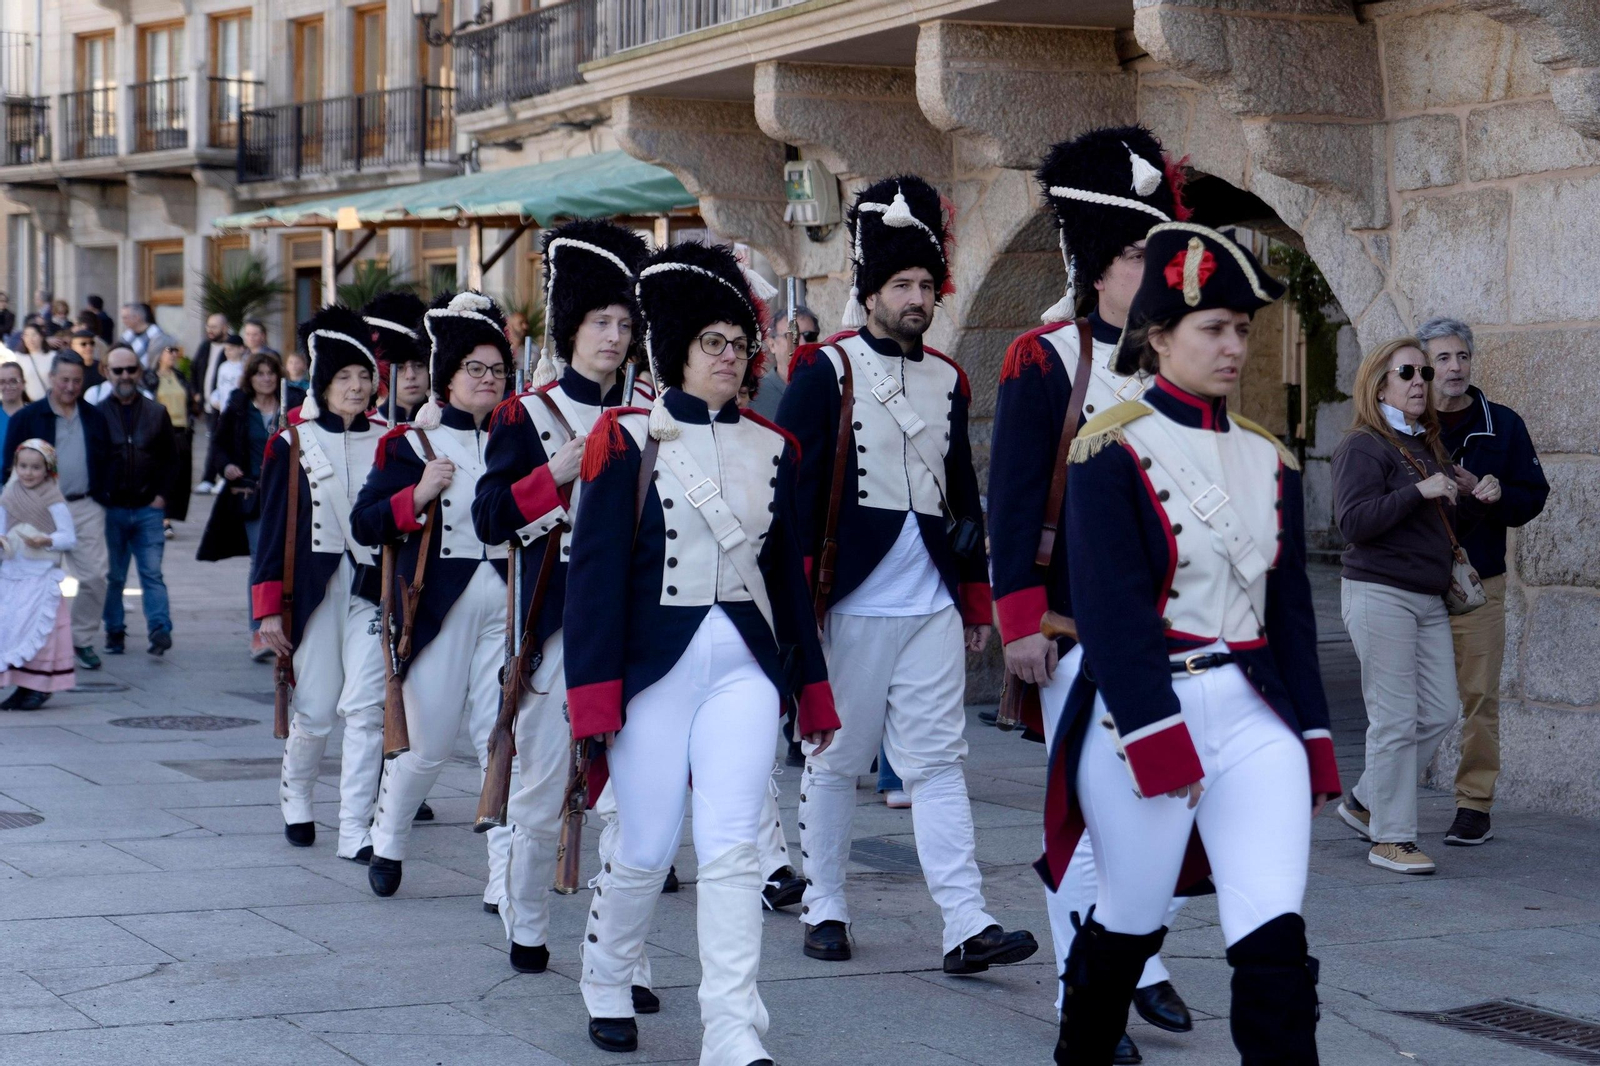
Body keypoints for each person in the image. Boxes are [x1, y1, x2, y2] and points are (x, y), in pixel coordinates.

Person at [1052, 222, 1338, 1063]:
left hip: (1255, 719)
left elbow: (1290, 617)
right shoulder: (1109, 449)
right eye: (1214, 327)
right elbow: (1110, 618)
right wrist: (1156, 734)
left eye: (1243, 329)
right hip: (1147, 716)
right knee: (1131, 922)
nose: (1234, 345)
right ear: (1159, 336)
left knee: (1275, 938)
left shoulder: (1270, 458)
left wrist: (1314, 739)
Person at [562, 240, 838, 1060]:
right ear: (678, 348)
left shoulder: (773, 446)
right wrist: (592, 701)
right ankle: (607, 975)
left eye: (739, 341)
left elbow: (789, 584)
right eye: (713, 341)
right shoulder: (620, 440)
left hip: (746, 674)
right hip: (653, 672)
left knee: (732, 850)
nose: (730, 356)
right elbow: (595, 584)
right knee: (645, 846)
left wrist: (813, 690)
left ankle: (731, 1029)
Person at [776, 175, 1036, 975]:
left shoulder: (950, 379)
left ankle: (966, 920)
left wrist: (975, 598)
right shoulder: (822, 371)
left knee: (936, 764)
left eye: (927, 284)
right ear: (871, 289)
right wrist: (797, 608)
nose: (918, 297)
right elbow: (791, 495)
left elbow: (963, 491)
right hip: (847, 600)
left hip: (928, 598)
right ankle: (824, 904)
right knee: (836, 759)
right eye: (903, 284)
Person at [990, 126, 1196, 1059]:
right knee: (1084, 810)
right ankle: (1092, 991)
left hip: (1169, 631)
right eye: (1134, 253)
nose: (1152, 267)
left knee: (1161, 804)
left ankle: (1137, 959)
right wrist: (1020, 620)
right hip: (1070, 628)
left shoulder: (1179, 358)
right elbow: (1012, 498)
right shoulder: (1042, 358)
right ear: (1095, 264)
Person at [472, 219, 653, 979]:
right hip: (553, 630)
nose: (612, 337)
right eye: (599, 322)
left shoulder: (653, 414)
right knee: (542, 794)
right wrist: (561, 473)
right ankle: (529, 924)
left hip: (638, 632)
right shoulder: (526, 415)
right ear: (571, 327)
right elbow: (488, 519)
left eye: (623, 323)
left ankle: (624, 959)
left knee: (634, 807)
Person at [351, 291, 515, 908]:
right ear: (448, 375)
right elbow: (368, 523)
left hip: (508, 608)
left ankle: (503, 878)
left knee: (504, 743)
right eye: (475, 368)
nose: (488, 380)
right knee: (427, 746)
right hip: (436, 612)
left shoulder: (516, 437)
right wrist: (417, 494)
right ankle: (388, 837)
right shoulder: (408, 444)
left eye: (498, 369)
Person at [1333, 337, 1496, 874]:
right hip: (1380, 593)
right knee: (1395, 717)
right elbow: (1352, 523)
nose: (1421, 381)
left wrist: (1472, 497)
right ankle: (1392, 837)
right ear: (1379, 382)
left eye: (1424, 372)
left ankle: (1363, 801)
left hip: (1426, 596)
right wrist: (1417, 493)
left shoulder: (1425, 444)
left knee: (1440, 709)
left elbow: (1444, 527)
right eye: (1408, 372)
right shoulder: (1364, 445)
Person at [251, 306, 387, 861]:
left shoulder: (391, 438)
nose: (356, 387)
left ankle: (356, 828)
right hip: (312, 590)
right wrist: (266, 611)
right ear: (323, 384)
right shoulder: (291, 443)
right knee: (314, 707)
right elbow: (270, 532)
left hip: (372, 587)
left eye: (364, 377)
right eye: (343, 378)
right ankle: (297, 797)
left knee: (367, 708)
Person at [1418, 317, 1548, 847]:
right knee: (1407, 701)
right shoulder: (1403, 421)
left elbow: (1532, 496)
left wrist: (1493, 496)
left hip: (1478, 583)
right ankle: (1383, 796)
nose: (1455, 367)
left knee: (1477, 698)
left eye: (1462, 357)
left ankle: (1474, 805)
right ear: (1425, 367)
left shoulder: (1504, 425)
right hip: (1412, 582)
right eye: (1442, 359)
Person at [1, 352, 111, 671]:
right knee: (30, 579)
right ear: (51, 378)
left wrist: (105, 491)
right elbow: (10, 465)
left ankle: (82, 639)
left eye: (77, 380)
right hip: (37, 509)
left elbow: (106, 457)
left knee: (94, 576)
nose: (70, 386)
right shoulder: (28, 416)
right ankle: (28, 643)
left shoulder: (94, 416)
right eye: (64, 379)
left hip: (85, 504)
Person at [96, 346, 177, 656]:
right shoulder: (97, 414)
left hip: (147, 508)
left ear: (140, 371)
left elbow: (172, 459)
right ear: (106, 372)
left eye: (131, 369)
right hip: (112, 508)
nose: (125, 376)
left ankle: (160, 629)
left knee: (152, 573)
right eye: (118, 370)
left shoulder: (157, 413)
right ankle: (114, 630)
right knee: (114, 575)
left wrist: (162, 497)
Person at [215, 351, 283, 660]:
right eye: (260, 373)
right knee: (260, 559)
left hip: (286, 492)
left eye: (271, 373)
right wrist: (227, 466)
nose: (266, 378)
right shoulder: (239, 407)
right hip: (253, 493)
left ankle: (284, 626)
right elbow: (219, 445)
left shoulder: (291, 403)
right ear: (250, 378)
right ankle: (258, 631)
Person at [0, 440, 77, 711]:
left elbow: (68, 536)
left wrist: (47, 540)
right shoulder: (8, 497)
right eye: (23, 467)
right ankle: (20, 685)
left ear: (47, 469)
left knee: (40, 634)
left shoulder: (53, 499)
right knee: (11, 629)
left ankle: (38, 687)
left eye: (35, 467)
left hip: (41, 575)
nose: (28, 473)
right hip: (12, 573)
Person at [361, 292, 429, 421]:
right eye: (399, 367)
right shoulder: (370, 428)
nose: (411, 375)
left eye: (419, 365)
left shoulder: (448, 428)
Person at [748, 304, 817, 420]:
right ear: (772, 345)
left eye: (809, 336)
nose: (803, 344)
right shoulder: (753, 396)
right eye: (791, 336)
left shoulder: (829, 389)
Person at [153, 344, 194, 535]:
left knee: (179, 476)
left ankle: (169, 515)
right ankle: (163, 519)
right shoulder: (150, 377)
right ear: (159, 354)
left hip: (181, 431)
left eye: (176, 351)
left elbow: (190, 402)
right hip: (161, 431)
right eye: (169, 350)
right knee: (162, 474)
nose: (173, 355)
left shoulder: (179, 376)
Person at [190, 313, 231, 424]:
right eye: (208, 326)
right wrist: (196, 393)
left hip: (225, 408)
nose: (209, 330)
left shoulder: (232, 347)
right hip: (207, 407)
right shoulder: (205, 346)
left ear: (225, 328)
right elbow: (194, 369)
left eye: (214, 327)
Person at [119, 303, 174, 369]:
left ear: (137, 317)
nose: (123, 321)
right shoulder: (126, 337)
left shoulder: (157, 334)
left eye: (126, 318)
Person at [11, 322, 54, 401]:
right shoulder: (18, 357)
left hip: (48, 402)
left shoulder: (52, 356)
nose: (30, 339)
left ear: (41, 336)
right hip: (27, 404)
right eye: (26, 335)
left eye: (34, 335)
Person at [0, 362, 25, 446]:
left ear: (23, 383)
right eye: (2, 382)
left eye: (13, 381)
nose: (7, 386)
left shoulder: (34, 417)